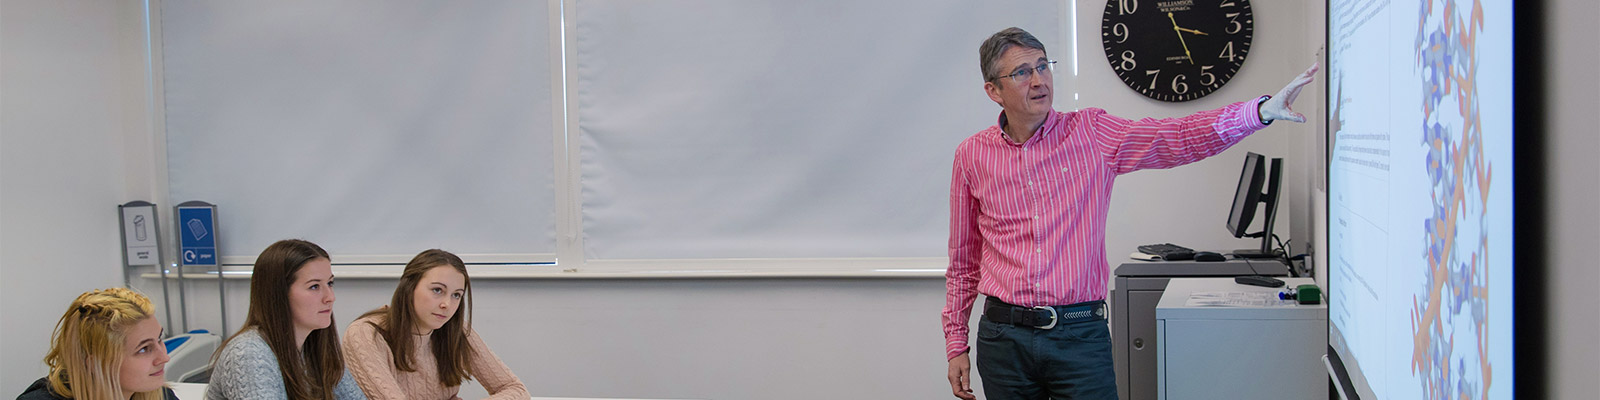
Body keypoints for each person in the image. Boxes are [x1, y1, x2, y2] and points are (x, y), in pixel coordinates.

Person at [942, 27, 1317, 399]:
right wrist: (956, 342)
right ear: (994, 91)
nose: (1039, 80)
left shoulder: (1091, 132)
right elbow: (964, 261)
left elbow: (1176, 138)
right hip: (1003, 339)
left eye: (1043, 66)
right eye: (1022, 72)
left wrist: (1260, 112)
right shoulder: (972, 155)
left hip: (1079, 335)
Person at [342, 249, 528, 400]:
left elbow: (515, 389)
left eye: (456, 295)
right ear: (409, 287)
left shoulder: (457, 330)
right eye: (437, 290)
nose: (447, 304)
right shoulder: (366, 334)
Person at [207, 239, 366, 400]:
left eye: (330, 283)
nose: (330, 297)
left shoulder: (316, 345)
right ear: (278, 294)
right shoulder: (248, 353)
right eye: (314, 286)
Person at [17, 288, 178, 400]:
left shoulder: (160, 396)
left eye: (159, 339)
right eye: (144, 349)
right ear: (95, 364)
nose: (164, 357)